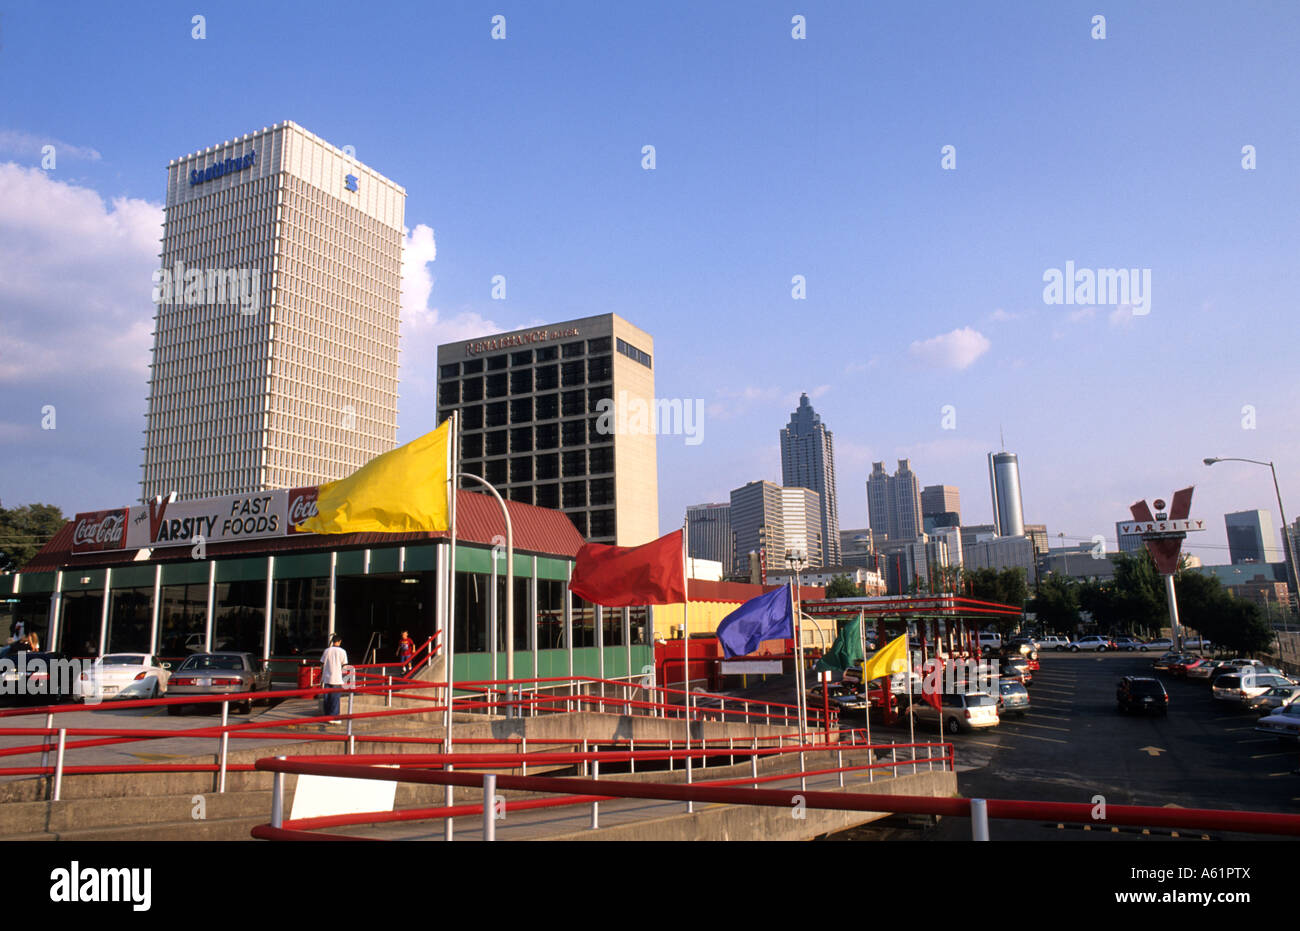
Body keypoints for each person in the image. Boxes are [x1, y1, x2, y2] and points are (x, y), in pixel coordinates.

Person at [320, 633, 349, 724]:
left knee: (327, 698)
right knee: (335, 699)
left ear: (332, 641)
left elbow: (322, 662)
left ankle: (327, 716)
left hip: (327, 678)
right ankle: (334, 717)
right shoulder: (342, 651)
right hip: (337, 678)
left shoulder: (326, 651)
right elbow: (345, 665)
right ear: (339, 642)